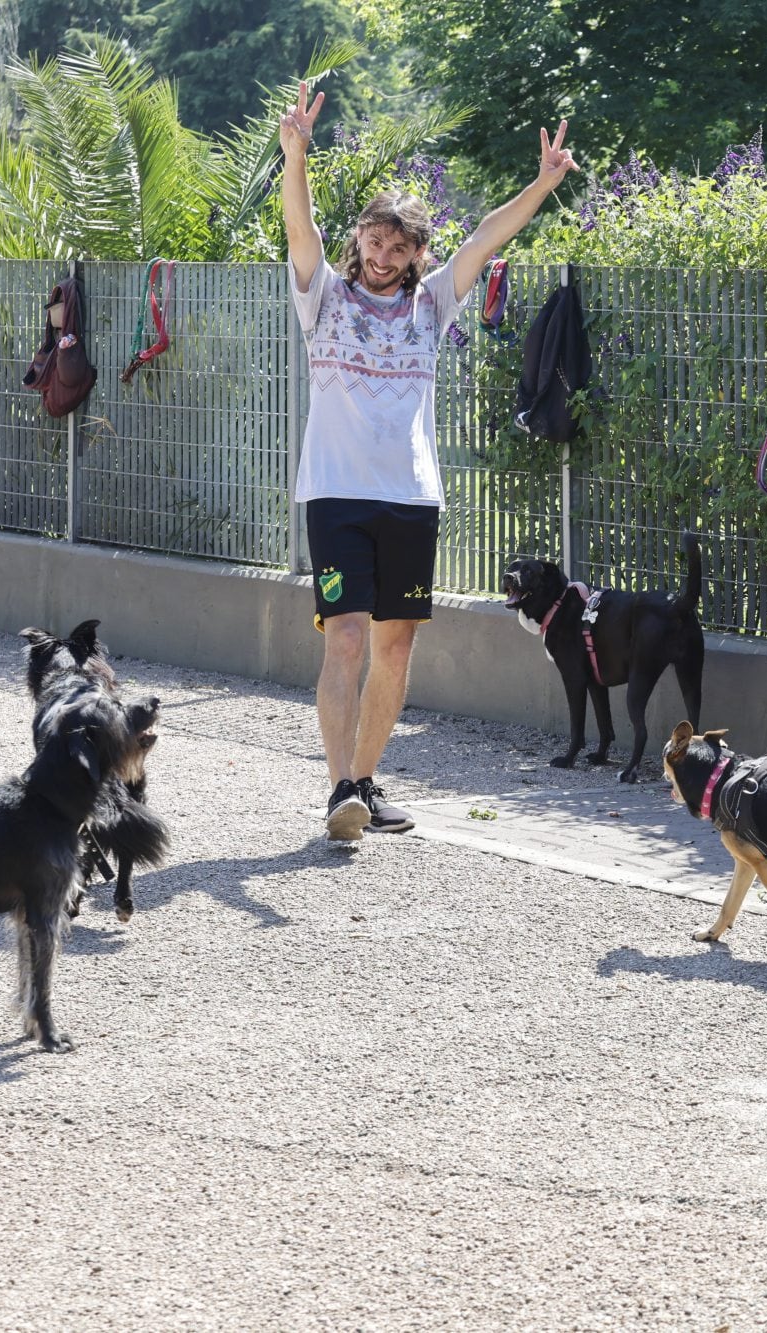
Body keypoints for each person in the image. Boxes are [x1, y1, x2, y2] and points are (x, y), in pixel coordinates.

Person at [279, 82, 576, 840]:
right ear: (359, 240)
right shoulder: (323, 297)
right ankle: (339, 787)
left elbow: (485, 237)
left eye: (397, 247)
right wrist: (295, 155)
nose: (382, 258)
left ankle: (362, 783)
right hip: (337, 497)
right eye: (373, 243)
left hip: (412, 499)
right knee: (346, 638)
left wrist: (543, 184)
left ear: (416, 253)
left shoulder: (432, 304)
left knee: (396, 645)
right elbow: (299, 227)